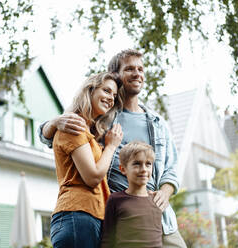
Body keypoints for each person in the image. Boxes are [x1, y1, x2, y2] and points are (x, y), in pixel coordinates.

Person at [39, 49, 187, 248]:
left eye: (141, 69)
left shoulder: (158, 123)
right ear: (116, 75)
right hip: (116, 216)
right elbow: (60, 138)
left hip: (159, 215)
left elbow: (171, 168)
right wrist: (54, 122)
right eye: (130, 69)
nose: (137, 74)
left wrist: (165, 193)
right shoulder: (102, 116)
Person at [49, 72, 124, 248]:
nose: (111, 98)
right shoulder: (73, 125)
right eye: (106, 91)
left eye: (113, 95)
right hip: (77, 215)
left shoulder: (88, 132)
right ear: (89, 90)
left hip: (89, 217)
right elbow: (92, 177)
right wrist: (111, 146)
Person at [101, 141, 162, 248]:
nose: (143, 169)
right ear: (123, 169)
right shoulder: (115, 200)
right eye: (137, 164)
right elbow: (107, 239)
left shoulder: (156, 199)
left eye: (148, 164)